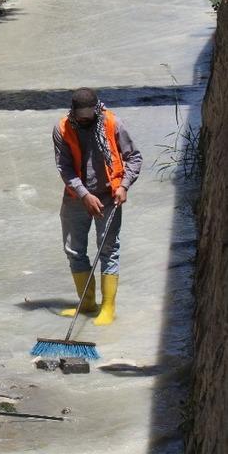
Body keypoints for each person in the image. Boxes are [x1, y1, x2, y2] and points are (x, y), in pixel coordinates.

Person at [53, 87, 142, 325]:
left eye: (87, 115)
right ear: (73, 112)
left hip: (108, 195)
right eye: (79, 115)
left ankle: (108, 308)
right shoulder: (62, 128)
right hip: (76, 197)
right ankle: (87, 303)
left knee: (108, 250)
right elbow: (64, 168)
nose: (84, 120)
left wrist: (124, 186)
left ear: (96, 109)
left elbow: (134, 158)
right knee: (73, 251)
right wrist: (83, 195)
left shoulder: (113, 123)